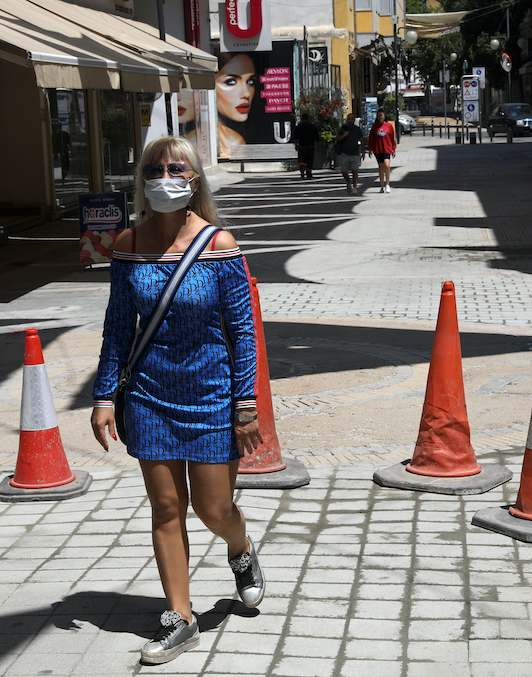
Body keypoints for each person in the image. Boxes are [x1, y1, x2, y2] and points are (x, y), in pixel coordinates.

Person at [90, 136, 266, 664]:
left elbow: (242, 330)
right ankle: (180, 618)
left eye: (176, 167)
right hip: (149, 396)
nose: (165, 175)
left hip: (212, 396)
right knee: (167, 507)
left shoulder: (219, 245)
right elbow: (118, 328)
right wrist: (104, 396)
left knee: (215, 509)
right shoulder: (126, 245)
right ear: (142, 179)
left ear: (193, 179)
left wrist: (246, 403)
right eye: (155, 168)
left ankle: (241, 549)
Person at [217, 52, 256, 159]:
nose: (246, 94)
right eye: (231, 82)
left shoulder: (235, 139)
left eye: (250, 82)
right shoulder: (234, 140)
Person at [334, 112, 365, 195]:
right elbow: (337, 138)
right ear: (347, 120)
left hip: (354, 153)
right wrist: (344, 135)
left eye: (352, 119)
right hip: (345, 153)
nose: (351, 120)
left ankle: (354, 188)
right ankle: (349, 182)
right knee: (344, 172)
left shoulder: (357, 129)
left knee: (355, 171)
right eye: (349, 119)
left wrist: (363, 152)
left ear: (354, 120)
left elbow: (362, 140)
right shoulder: (343, 128)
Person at [368, 110, 397, 193]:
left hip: (387, 149)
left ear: (384, 116)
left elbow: (392, 138)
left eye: (382, 115)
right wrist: (370, 149)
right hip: (378, 149)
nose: (380, 117)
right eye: (379, 115)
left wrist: (393, 149)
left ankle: (387, 184)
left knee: (387, 165)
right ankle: (382, 185)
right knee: (381, 167)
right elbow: (371, 138)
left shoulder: (389, 126)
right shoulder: (375, 126)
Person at [293, 112, 319, 179]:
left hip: (302, 146)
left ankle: (302, 167)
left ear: (301, 118)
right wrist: (318, 145)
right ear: (308, 118)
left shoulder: (299, 127)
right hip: (311, 146)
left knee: (302, 158)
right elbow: (317, 137)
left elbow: (295, 137)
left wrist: (296, 145)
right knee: (310, 159)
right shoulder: (312, 126)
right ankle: (309, 172)